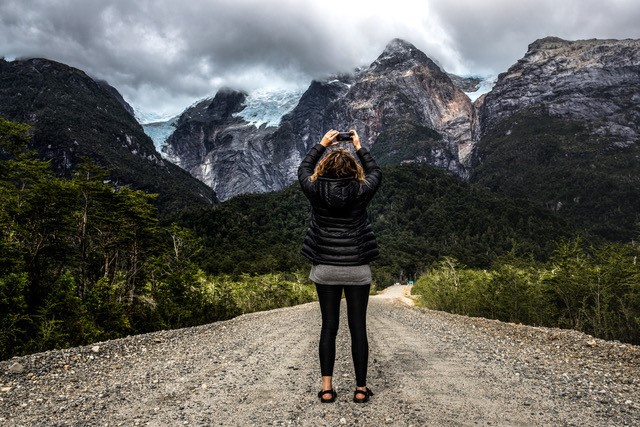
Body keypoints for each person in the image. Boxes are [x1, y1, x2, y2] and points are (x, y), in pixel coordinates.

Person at [298, 129, 382, 404]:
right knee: (358, 327)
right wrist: (358, 146)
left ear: (323, 169)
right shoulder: (362, 190)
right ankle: (360, 389)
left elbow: (303, 169)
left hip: (325, 268)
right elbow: (375, 172)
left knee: (329, 327)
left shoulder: (314, 189)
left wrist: (322, 144)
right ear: (352, 170)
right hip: (357, 268)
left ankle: (326, 388)